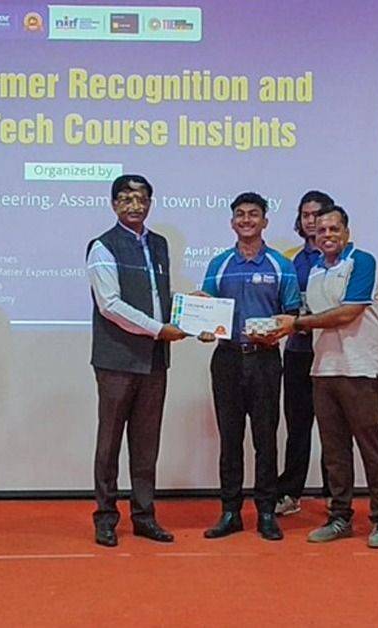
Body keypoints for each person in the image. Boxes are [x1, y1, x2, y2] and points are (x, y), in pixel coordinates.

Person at [276, 206, 378, 548]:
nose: (327, 235)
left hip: (360, 368)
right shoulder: (314, 269)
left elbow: (348, 313)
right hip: (322, 369)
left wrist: (296, 324)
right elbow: (309, 315)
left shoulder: (362, 261)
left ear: (346, 232)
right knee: (334, 450)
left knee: (370, 447)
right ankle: (340, 516)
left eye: (334, 229)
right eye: (321, 230)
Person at [85, 174, 187, 547]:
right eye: (126, 199)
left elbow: (161, 298)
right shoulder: (102, 246)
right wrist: (159, 329)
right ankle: (106, 517)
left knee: (146, 444)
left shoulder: (159, 244)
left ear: (150, 203)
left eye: (141, 198)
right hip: (117, 359)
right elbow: (110, 305)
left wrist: (195, 317)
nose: (134, 205)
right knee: (109, 443)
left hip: (154, 361)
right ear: (114, 204)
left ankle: (144, 516)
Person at [197, 193, 300, 541]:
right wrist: (203, 327)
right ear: (232, 222)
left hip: (265, 360)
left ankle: (267, 513)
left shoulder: (280, 265)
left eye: (253, 214)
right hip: (226, 359)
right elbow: (206, 309)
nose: (246, 220)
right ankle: (230, 512)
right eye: (240, 214)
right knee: (230, 439)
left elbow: (292, 314)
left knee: (265, 439)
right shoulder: (219, 264)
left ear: (264, 221)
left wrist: (277, 331)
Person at [275, 191, 333, 517]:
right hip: (298, 351)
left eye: (317, 214)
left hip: (333, 351)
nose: (311, 221)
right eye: (305, 215)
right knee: (297, 425)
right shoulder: (289, 259)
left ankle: (334, 494)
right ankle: (290, 492)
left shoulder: (343, 259)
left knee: (333, 427)